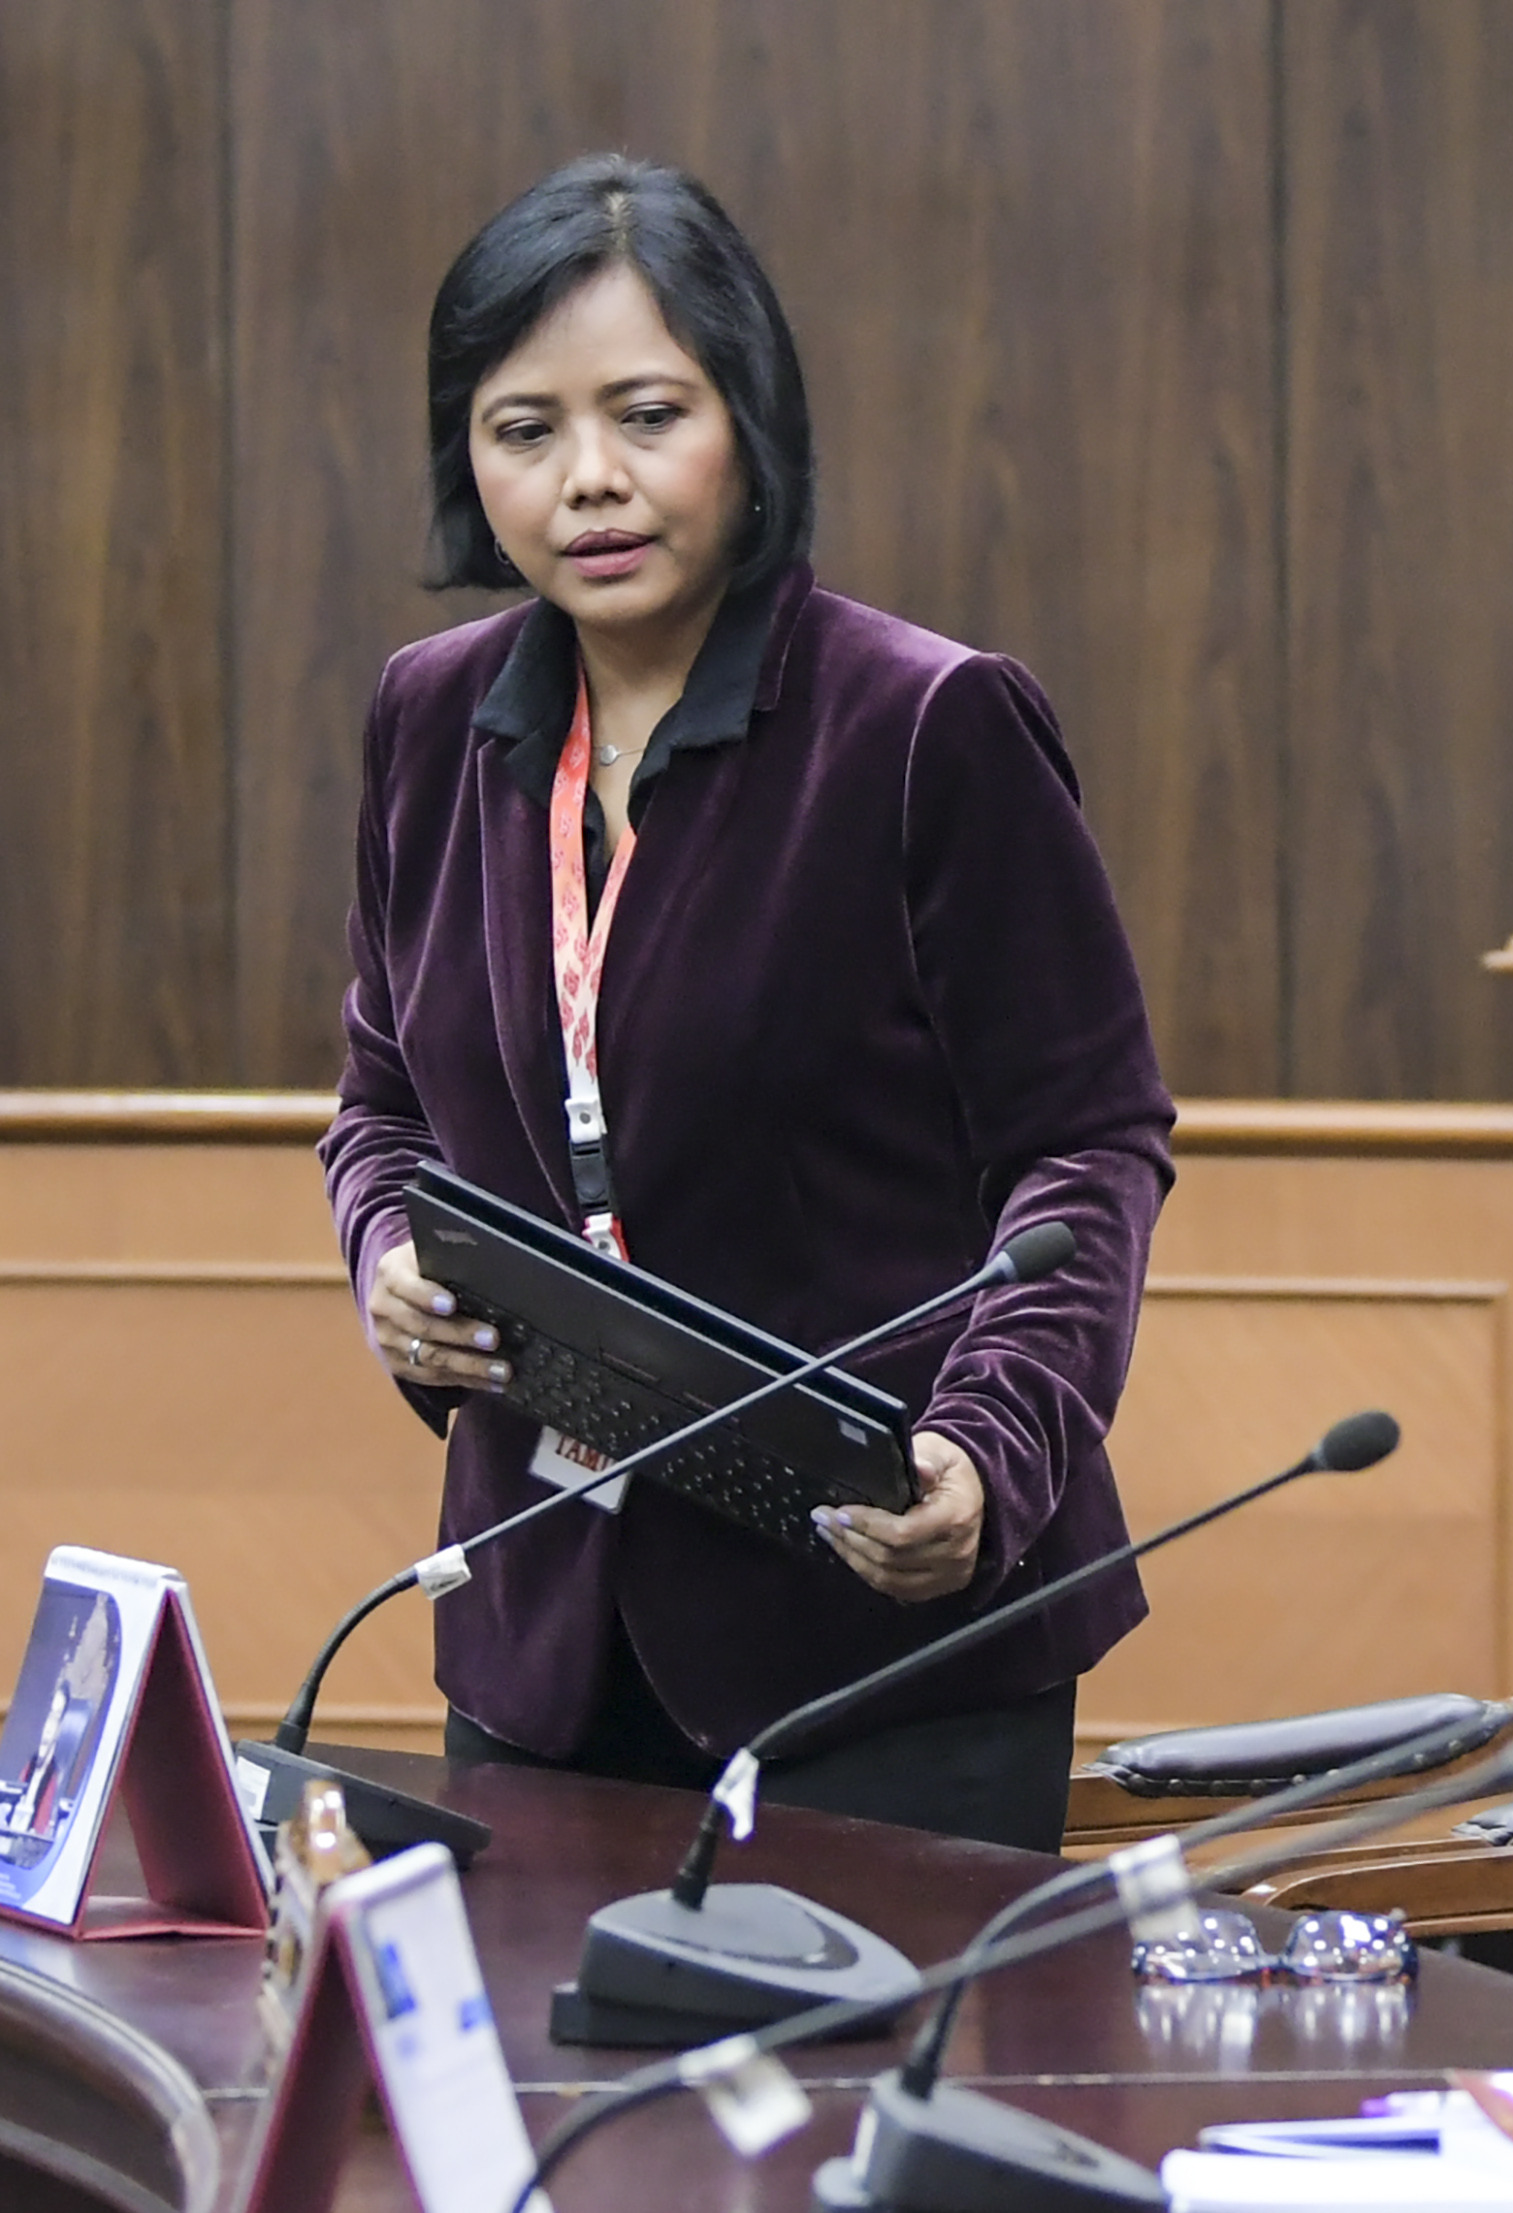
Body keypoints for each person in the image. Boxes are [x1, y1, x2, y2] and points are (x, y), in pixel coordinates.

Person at [316, 157, 1174, 1853]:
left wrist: (989, 1452)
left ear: (750, 422)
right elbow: (383, 1103)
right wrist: (386, 1260)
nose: (591, 480)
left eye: (649, 416)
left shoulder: (926, 727)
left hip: (877, 1633)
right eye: (524, 430)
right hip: (542, 1630)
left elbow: (1089, 1150)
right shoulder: (428, 722)